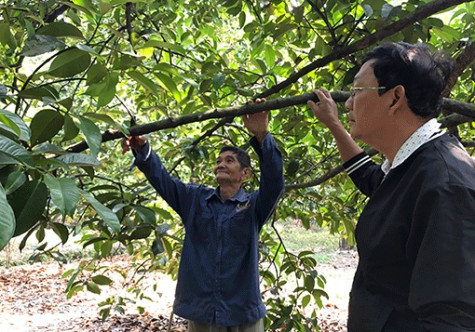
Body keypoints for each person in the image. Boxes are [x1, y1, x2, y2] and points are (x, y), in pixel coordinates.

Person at [307, 42, 475, 331]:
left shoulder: (445, 186)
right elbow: (372, 180)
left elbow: (451, 319)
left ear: (395, 97)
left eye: (358, 91)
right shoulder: (410, 167)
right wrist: (334, 124)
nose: (348, 102)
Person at [122, 98, 284, 332]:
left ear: (245, 173)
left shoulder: (254, 205)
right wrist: (142, 148)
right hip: (203, 310)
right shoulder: (195, 199)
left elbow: (275, 183)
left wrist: (262, 136)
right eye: (218, 161)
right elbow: (163, 181)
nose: (221, 165)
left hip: (242, 310)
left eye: (229, 161)